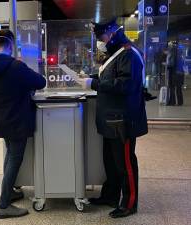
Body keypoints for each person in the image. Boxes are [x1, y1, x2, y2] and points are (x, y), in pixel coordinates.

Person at [0, 29, 46, 219]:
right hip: (16, 120)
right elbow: (40, 82)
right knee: (14, 158)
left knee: (10, 155)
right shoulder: (16, 66)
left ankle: (10, 192)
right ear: (12, 45)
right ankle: (3, 205)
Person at [77, 19, 148, 218]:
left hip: (122, 120)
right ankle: (110, 196)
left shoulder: (128, 54)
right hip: (110, 119)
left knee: (125, 163)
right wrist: (91, 77)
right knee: (111, 161)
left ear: (112, 33)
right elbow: (111, 76)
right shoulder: (115, 54)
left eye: (101, 37)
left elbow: (125, 85)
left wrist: (94, 84)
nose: (100, 41)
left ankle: (129, 203)